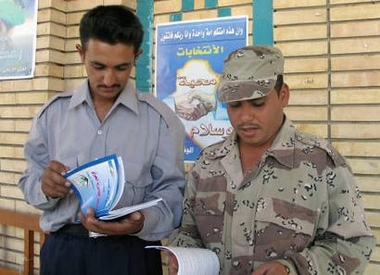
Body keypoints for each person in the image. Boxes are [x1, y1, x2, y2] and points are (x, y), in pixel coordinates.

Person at [168, 45, 376, 275]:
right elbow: (188, 232)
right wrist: (182, 255)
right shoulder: (208, 163)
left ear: (283, 95)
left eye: (258, 103)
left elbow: (354, 244)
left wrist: (292, 270)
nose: (245, 116)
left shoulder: (321, 163)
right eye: (235, 105)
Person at [18, 5, 185, 275]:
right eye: (98, 66)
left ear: (136, 57)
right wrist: (46, 187)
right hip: (65, 253)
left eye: (121, 67)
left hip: (131, 255)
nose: (109, 79)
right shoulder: (53, 115)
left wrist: (142, 221)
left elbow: (173, 196)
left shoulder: (160, 120)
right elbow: (29, 182)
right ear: (81, 53)